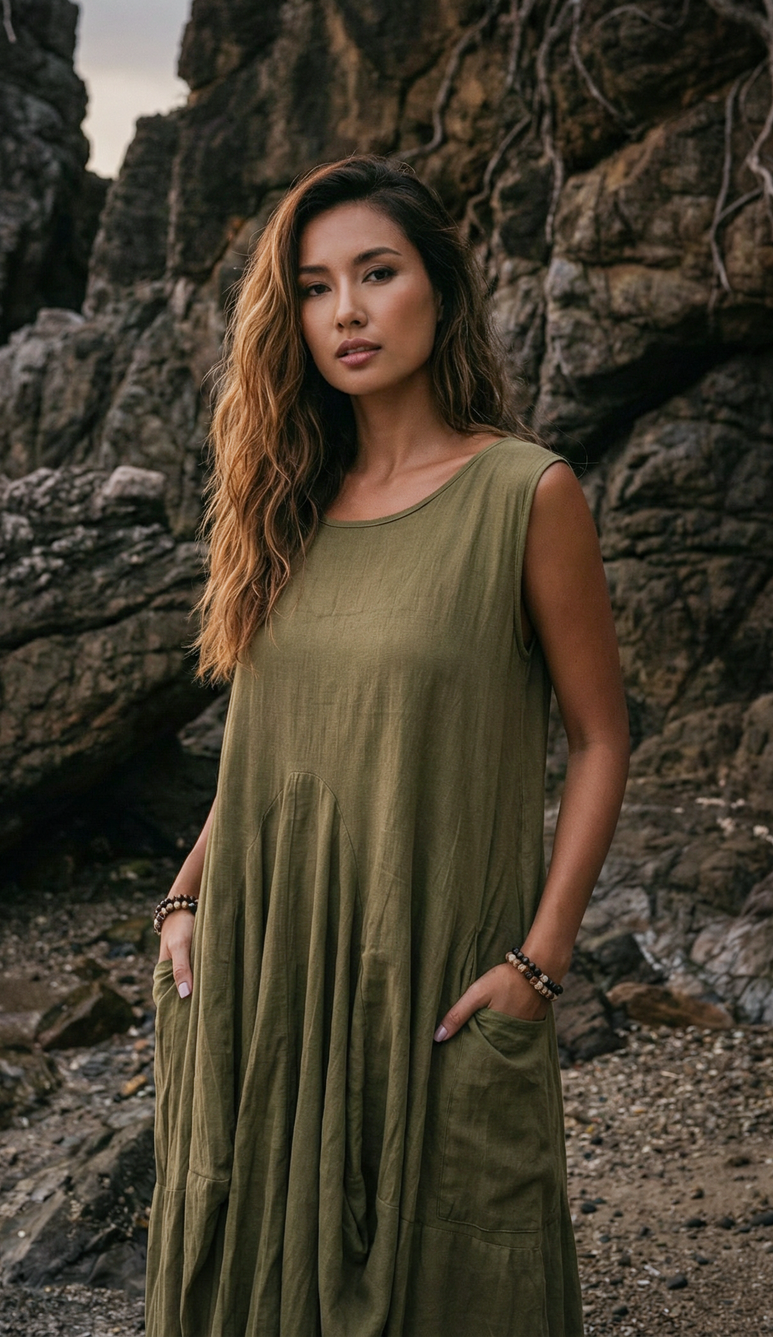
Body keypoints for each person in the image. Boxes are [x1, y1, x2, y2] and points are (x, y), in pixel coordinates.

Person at [145, 154, 629, 1336]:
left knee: (448, 1271)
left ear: (441, 289)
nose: (347, 311)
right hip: (259, 961)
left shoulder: (528, 492)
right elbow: (270, 740)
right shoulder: (281, 502)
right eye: (314, 288)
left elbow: (603, 737)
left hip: (430, 961)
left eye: (376, 272)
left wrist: (539, 965)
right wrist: (183, 897)